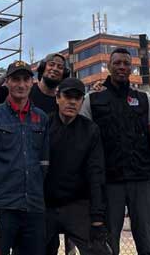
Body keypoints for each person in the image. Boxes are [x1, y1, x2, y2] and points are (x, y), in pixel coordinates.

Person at [80, 48, 150, 255]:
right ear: (109, 66)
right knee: (109, 242)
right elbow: (83, 142)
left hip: (142, 178)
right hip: (109, 181)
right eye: (117, 63)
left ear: (132, 68)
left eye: (126, 63)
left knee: (148, 241)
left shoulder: (145, 99)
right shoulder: (92, 99)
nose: (122, 67)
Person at [0, 60, 51, 255]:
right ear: (7, 82)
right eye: (16, 79)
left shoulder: (41, 119)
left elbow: (44, 165)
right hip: (1, 209)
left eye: (26, 79)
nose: (21, 85)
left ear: (32, 83)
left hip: (33, 209)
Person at [44, 77, 108, 255]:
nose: (72, 101)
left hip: (77, 205)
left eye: (77, 98)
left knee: (99, 250)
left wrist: (97, 217)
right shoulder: (43, 125)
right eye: (67, 96)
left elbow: (96, 173)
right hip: (45, 205)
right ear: (57, 98)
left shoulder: (91, 130)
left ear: (82, 101)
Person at [0, 53, 67, 116]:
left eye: (60, 67)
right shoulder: (22, 89)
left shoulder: (63, 100)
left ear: (64, 73)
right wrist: (7, 74)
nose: (55, 69)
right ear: (43, 67)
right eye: (51, 64)